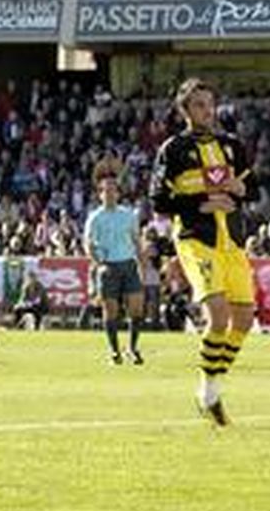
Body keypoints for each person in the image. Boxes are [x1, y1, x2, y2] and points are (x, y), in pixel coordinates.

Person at [150, 78, 259, 426]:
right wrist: (203, 201)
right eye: (198, 104)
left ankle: (211, 386)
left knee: (243, 319)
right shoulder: (173, 149)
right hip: (197, 238)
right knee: (218, 316)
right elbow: (159, 200)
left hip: (233, 241)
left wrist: (240, 189)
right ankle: (208, 391)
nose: (207, 110)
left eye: (210, 103)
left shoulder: (231, 145)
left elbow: (252, 186)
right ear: (184, 111)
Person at [84, 159, 147, 364]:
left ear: (118, 193)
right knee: (110, 311)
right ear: (100, 194)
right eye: (105, 190)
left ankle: (133, 348)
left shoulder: (128, 215)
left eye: (113, 190)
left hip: (128, 264)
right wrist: (97, 263)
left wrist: (142, 265)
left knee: (136, 308)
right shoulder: (95, 217)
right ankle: (114, 351)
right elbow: (88, 243)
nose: (109, 193)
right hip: (108, 266)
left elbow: (137, 241)